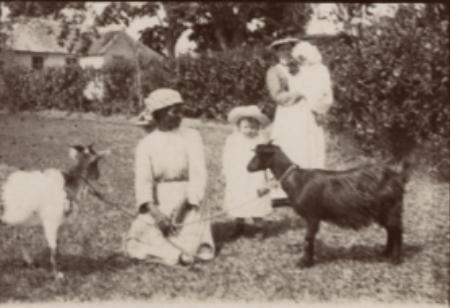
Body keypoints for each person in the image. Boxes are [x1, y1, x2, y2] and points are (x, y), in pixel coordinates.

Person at [124, 88, 215, 266]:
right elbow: (143, 182)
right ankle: (172, 255)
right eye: (175, 111)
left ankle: (176, 254)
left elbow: (198, 174)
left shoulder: (191, 136)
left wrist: (184, 208)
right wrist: (156, 214)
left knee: (190, 242)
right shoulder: (146, 144)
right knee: (135, 243)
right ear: (159, 114)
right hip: (160, 201)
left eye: (181, 110)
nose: (180, 116)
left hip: (188, 199)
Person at [265, 38, 333, 200]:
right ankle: (283, 191)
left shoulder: (303, 66)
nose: (286, 52)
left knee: (308, 146)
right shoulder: (274, 71)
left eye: (289, 49)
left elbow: (316, 86)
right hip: (288, 114)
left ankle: (308, 187)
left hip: (305, 112)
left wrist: (313, 96)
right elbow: (277, 96)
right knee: (289, 146)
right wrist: (298, 94)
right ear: (277, 52)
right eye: (282, 49)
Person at [222, 105, 272, 238]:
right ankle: (239, 225)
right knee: (239, 200)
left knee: (256, 200)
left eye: (253, 127)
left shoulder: (261, 142)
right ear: (239, 127)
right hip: (238, 176)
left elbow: (268, 161)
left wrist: (268, 181)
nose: (250, 131)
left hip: (256, 177)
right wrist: (225, 173)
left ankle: (259, 227)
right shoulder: (233, 140)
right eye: (246, 127)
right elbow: (227, 157)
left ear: (259, 127)